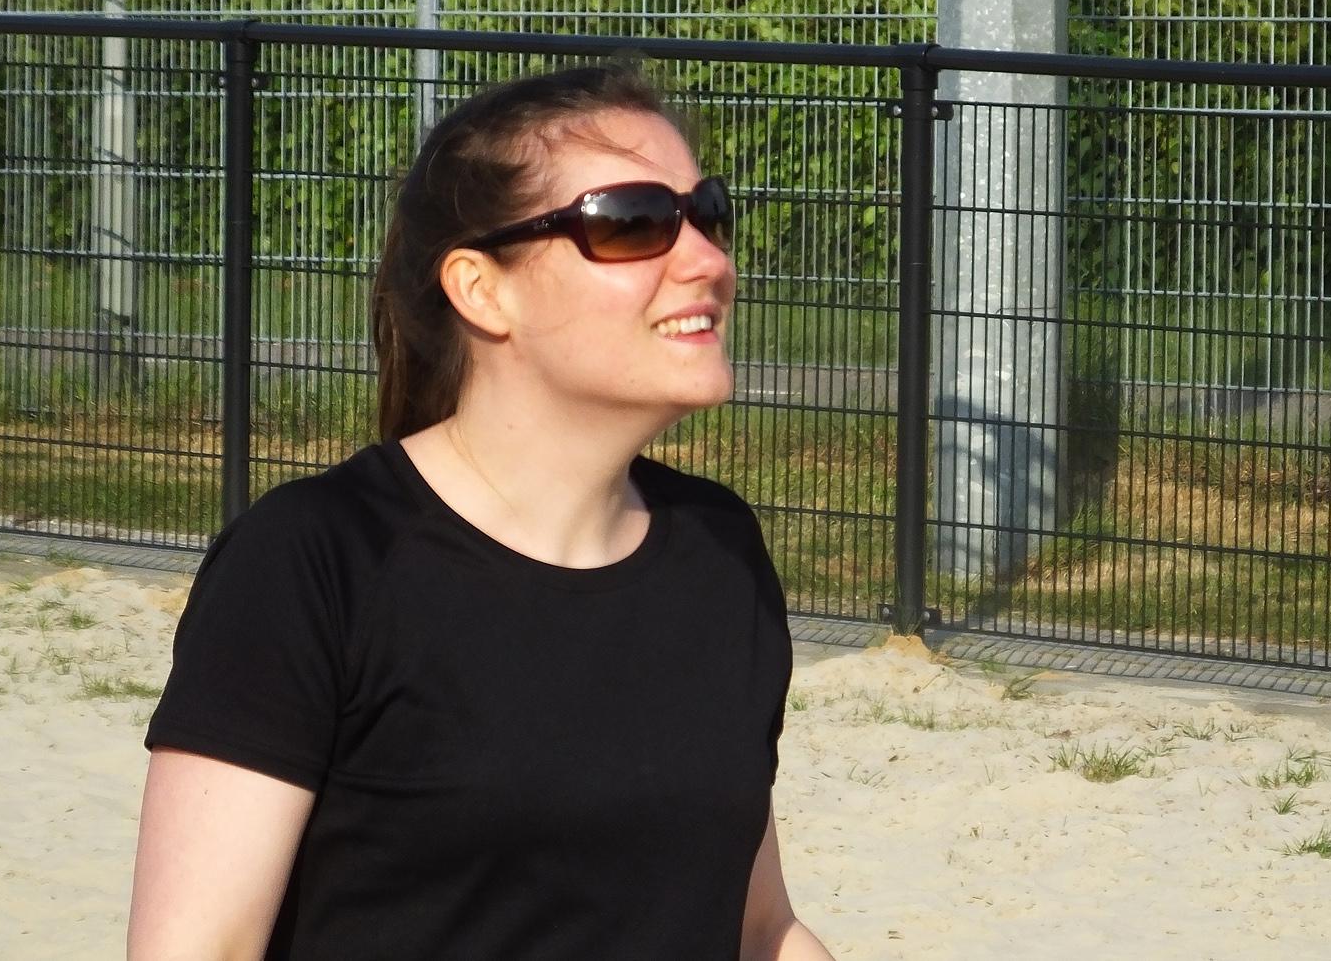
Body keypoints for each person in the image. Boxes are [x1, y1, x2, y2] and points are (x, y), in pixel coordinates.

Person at [127, 64, 834, 960]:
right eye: (632, 222)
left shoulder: (719, 553)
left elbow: (759, 927)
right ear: (481, 289)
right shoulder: (317, 560)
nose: (709, 261)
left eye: (709, 214)